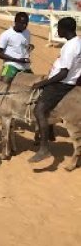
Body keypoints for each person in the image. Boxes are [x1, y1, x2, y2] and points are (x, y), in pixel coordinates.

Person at [29, 17, 81, 163]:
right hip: (69, 81)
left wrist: (43, 83)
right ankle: (50, 132)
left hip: (61, 84)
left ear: (65, 29)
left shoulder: (69, 47)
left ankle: (44, 148)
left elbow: (64, 73)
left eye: (59, 28)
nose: (57, 30)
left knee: (38, 110)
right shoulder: (78, 42)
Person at [0, 12, 33, 124]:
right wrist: (17, 60)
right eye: (22, 23)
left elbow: (25, 47)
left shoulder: (27, 33)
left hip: (25, 66)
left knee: (35, 87)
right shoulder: (6, 35)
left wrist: (29, 48)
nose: (24, 26)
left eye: (26, 23)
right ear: (16, 22)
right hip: (10, 65)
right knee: (1, 88)